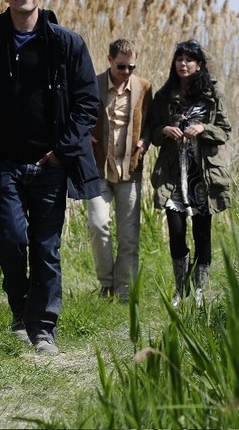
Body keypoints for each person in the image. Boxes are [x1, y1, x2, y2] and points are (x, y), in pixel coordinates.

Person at [0, 0, 100, 355]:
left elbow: (88, 104)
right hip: (6, 164)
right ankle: (20, 311)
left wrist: (62, 152)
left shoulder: (66, 43)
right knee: (10, 240)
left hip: (50, 166)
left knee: (46, 247)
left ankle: (43, 329)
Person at [147, 39, 231, 307]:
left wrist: (204, 129)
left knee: (202, 233)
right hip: (173, 174)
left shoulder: (211, 94)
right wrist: (163, 130)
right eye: (179, 59)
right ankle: (180, 288)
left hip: (202, 173)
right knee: (176, 231)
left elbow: (224, 130)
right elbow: (152, 131)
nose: (183, 64)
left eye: (189, 59)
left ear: (199, 65)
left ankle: (199, 291)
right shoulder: (165, 94)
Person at [87, 39, 153, 302]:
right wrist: (84, 135)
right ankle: (106, 284)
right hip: (99, 167)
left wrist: (145, 140)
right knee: (98, 225)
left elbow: (151, 122)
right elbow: (77, 114)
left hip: (130, 169)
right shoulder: (93, 84)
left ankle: (125, 292)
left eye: (131, 67)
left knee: (129, 236)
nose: (127, 72)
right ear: (109, 60)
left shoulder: (144, 87)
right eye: (121, 66)